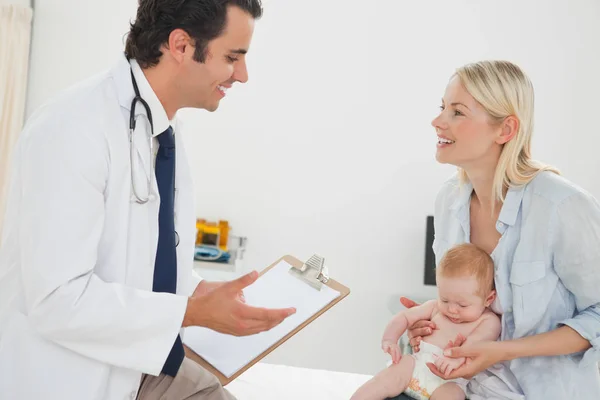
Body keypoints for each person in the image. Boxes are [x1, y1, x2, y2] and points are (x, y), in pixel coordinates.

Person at [0, 1, 296, 399]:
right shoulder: (72, 128)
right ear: (181, 46)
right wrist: (191, 312)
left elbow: (133, 255)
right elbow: (57, 299)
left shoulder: (159, 126)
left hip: (138, 365)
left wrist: (194, 291)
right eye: (232, 57)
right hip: (71, 376)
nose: (241, 75)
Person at [391, 60, 600, 399]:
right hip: (458, 387)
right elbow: (483, 306)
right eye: (442, 107)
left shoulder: (563, 206)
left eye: (457, 112)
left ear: (505, 130)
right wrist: (438, 318)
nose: (437, 121)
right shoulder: (449, 200)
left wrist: (504, 350)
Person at [351, 243, 501, 400]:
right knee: (381, 381)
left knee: (453, 395)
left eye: (462, 305)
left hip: (451, 379)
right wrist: (390, 339)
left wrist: (457, 359)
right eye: (445, 299)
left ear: (488, 299)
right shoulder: (434, 307)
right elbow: (404, 317)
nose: (452, 309)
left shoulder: (488, 321)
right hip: (415, 365)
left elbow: (475, 345)